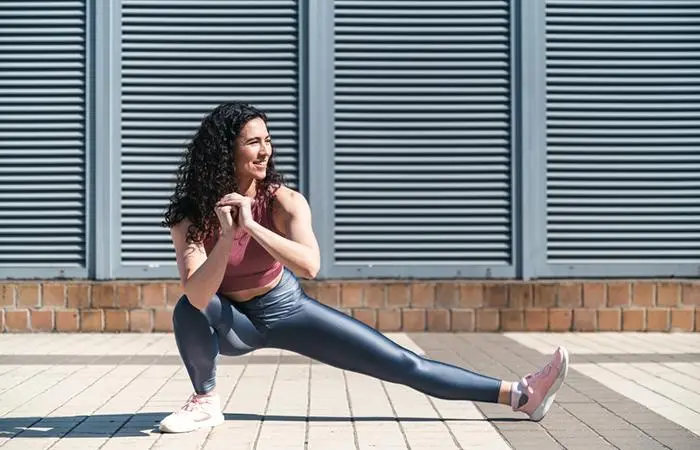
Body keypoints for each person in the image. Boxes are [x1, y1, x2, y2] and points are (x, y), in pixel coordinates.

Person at [159, 101, 569, 434]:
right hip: (235, 323)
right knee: (188, 308)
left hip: (287, 309)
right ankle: (206, 401)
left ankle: (520, 394)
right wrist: (228, 236)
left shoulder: (284, 201)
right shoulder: (192, 216)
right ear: (226, 151)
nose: (265, 150)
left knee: (402, 363)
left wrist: (251, 226)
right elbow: (197, 294)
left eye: (267, 140)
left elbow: (310, 265)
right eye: (253, 142)